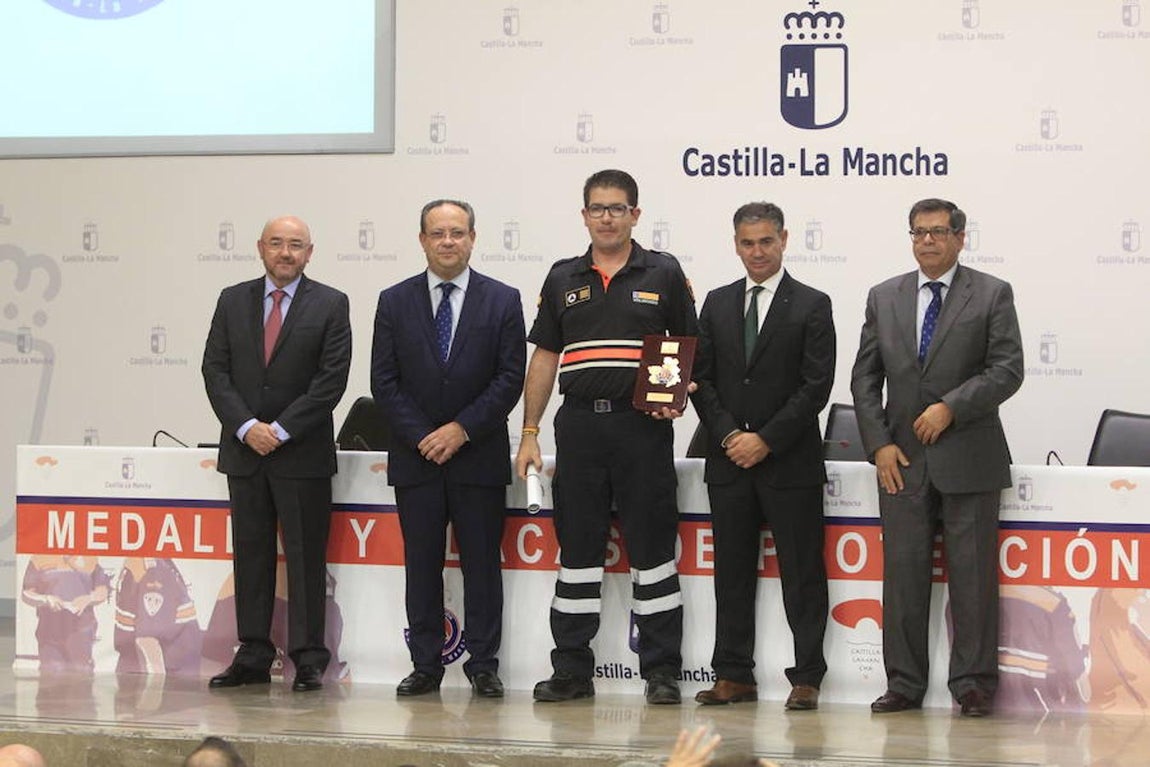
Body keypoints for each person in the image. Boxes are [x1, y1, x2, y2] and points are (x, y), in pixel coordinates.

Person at [516, 169, 698, 705]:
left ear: (636, 215)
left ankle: (662, 671)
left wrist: (671, 394)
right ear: (584, 215)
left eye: (618, 208)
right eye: (597, 208)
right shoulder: (561, 277)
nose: (607, 217)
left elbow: (687, 345)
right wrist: (529, 432)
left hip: (642, 429)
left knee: (653, 552)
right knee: (577, 551)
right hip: (580, 430)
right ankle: (571, 670)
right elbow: (545, 358)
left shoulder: (663, 273)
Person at [850, 198, 1023, 717]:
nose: (927, 241)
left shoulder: (991, 294)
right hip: (900, 461)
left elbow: (1007, 369)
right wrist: (878, 443)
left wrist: (951, 407)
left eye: (938, 232)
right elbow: (863, 379)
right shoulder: (884, 296)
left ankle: (972, 685)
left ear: (960, 238)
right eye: (919, 232)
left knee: (972, 581)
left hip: (969, 456)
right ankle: (903, 684)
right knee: (902, 579)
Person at [371, 199, 526, 698]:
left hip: (476, 456)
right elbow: (384, 380)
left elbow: (509, 379)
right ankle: (425, 664)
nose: (447, 241)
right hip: (416, 459)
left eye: (457, 232)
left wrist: (460, 429)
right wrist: (424, 435)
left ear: (473, 238)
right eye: (437, 233)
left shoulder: (502, 300)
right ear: (422, 240)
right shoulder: (393, 301)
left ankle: (483, 663)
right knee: (422, 565)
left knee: (483, 564)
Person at [691, 202, 835, 710]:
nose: (757, 251)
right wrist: (731, 435)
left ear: (784, 240)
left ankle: (807, 676)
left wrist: (766, 440)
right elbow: (699, 379)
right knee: (730, 572)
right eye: (748, 243)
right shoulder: (715, 302)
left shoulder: (812, 304)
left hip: (788, 462)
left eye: (766, 242)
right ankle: (734, 674)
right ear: (736, 244)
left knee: (802, 574)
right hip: (728, 461)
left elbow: (815, 386)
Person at [202, 215, 352, 693]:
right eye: (276, 244)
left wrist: (281, 430)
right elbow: (215, 371)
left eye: (296, 245)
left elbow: (330, 381)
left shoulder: (330, 303)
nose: (285, 253)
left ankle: (308, 657)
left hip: (301, 453)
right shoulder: (232, 299)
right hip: (245, 452)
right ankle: (252, 653)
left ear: (310, 253)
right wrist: (247, 427)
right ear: (260, 248)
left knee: (307, 557)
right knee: (251, 555)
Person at [20, 555, 109, 672]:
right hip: (50, 631)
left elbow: (102, 591)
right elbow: (26, 593)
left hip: (81, 631)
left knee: (80, 675)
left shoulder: (90, 557)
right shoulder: (38, 557)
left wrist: (89, 598)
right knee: (51, 675)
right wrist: (45, 599)